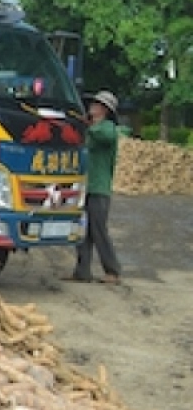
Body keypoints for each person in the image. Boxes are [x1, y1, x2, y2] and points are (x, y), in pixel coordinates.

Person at [67, 90, 125, 284]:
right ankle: (82, 271)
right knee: (83, 231)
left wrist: (86, 125)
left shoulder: (107, 128)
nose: (92, 106)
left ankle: (113, 270)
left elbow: (105, 135)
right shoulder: (92, 130)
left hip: (99, 188)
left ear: (104, 110)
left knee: (99, 231)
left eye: (96, 104)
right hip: (86, 186)